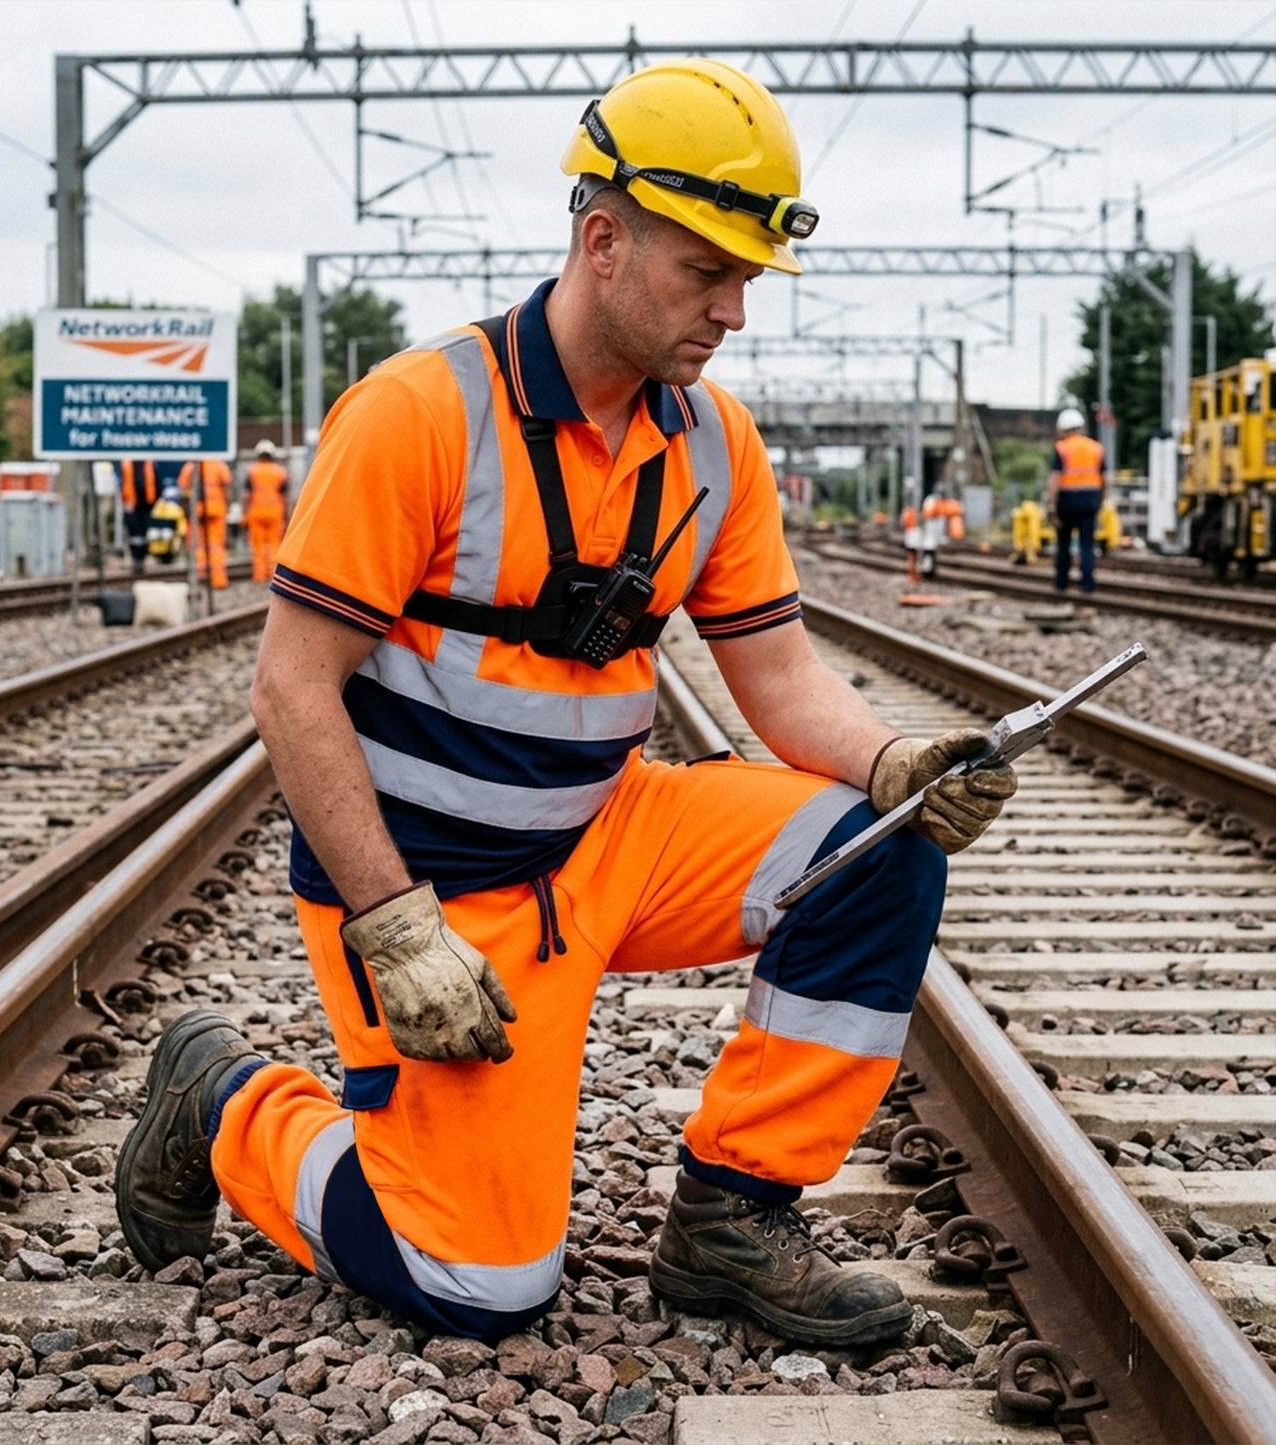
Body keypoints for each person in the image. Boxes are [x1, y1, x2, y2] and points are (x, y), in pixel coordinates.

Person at [116, 58, 1018, 1349]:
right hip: (439, 900)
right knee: (477, 1289)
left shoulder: (712, 443)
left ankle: (732, 1220)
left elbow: (775, 676)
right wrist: (393, 925)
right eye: (706, 270)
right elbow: (290, 686)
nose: (735, 310)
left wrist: (894, 762)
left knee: (878, 853)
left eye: (747, 276)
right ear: (602, 238)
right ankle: (230, 1103)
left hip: (612, 836)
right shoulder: (421, 413)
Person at [1046, 407, 1106, 594]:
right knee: (1087, 545)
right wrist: (1101, 501)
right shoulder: (1096, 448)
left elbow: (1055, 479)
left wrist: (1051, 505)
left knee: (1063, 544)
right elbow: (1106, 479)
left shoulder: (1062, 448)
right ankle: (1087, 585)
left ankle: (1061, 583)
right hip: (1090, 501)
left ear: (1063, 429)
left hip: (1067, 501)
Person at [178, 456, 232, 589]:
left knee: (198, 546)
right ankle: (218, 580)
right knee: (216, 546)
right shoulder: (219, 465)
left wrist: (186, 512)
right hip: (216, 510)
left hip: (196, 512)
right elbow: (227, 488)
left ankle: (201, 577)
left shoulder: (189, 467)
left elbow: (183, 492)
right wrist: (227, 505)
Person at [243, 439, 289, 583]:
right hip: (275, 513)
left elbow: (246, 496)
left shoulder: (252, 471)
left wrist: (244, 514)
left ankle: (259, 575)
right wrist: (287, 517)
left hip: (255, 513)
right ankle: (273, 576)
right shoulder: (281, 472)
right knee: (274, 545)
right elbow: (285, 497)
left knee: (258, 546)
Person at [120, 458, 159, 576]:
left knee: (144, 533)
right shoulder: (126, 464)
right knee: (134, 534)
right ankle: (136, 558)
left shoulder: (150, 463)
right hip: (131, 504)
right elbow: (121, 483)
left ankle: (142, 558)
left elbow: (157, 482)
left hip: (147, 504)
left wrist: (155, 502)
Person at [144, 481, 188, 566]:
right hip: (170, 547)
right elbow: (182, 529)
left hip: (154, 546)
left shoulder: (156, 508)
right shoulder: (177, 509)